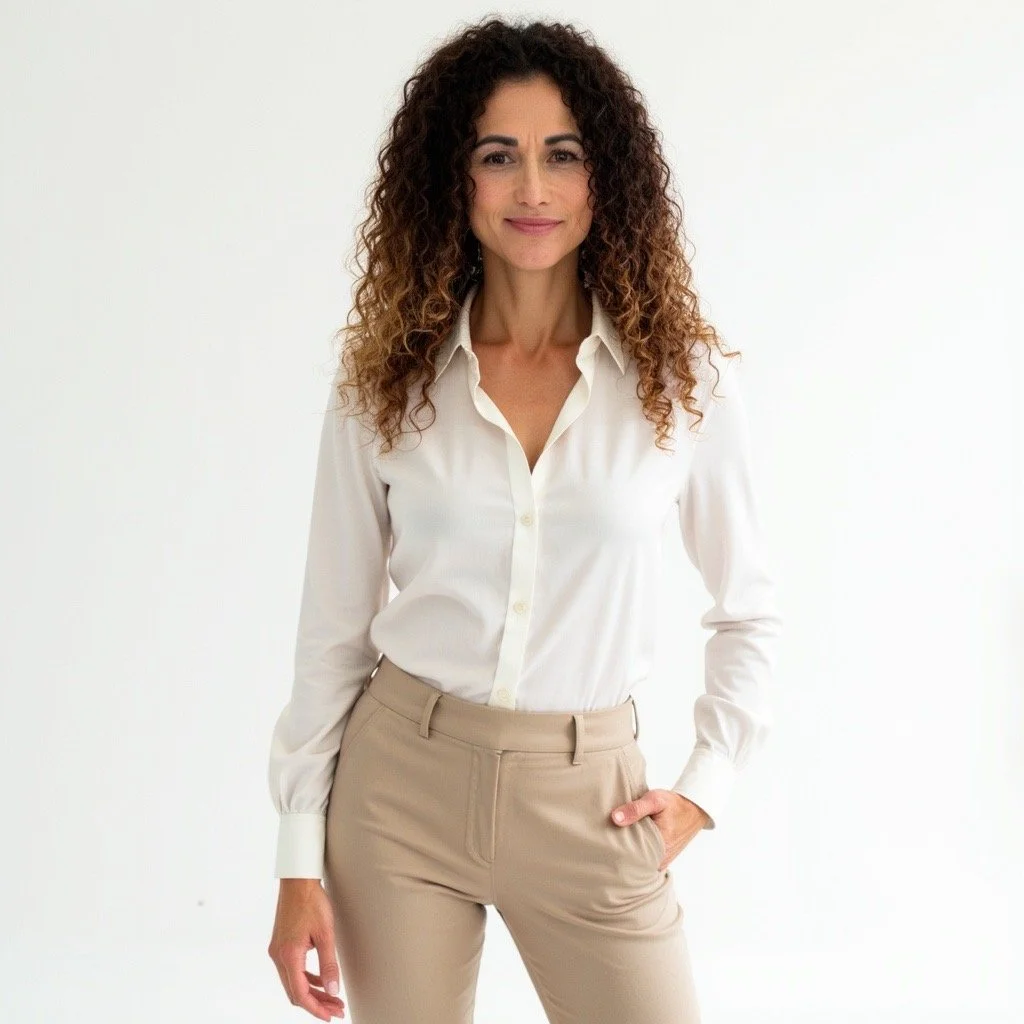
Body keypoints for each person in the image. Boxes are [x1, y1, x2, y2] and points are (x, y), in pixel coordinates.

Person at [266, 16, 782, 1024]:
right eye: (497, 156)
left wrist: (704, 785)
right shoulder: (385, 383)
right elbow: (330, 629)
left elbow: (748, 606)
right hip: (398, 788)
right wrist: (295, 858)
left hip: (589, 797)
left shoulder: (683, 384)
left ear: (607, 179)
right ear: (453, 181)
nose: (532, 190)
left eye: (563, 156)